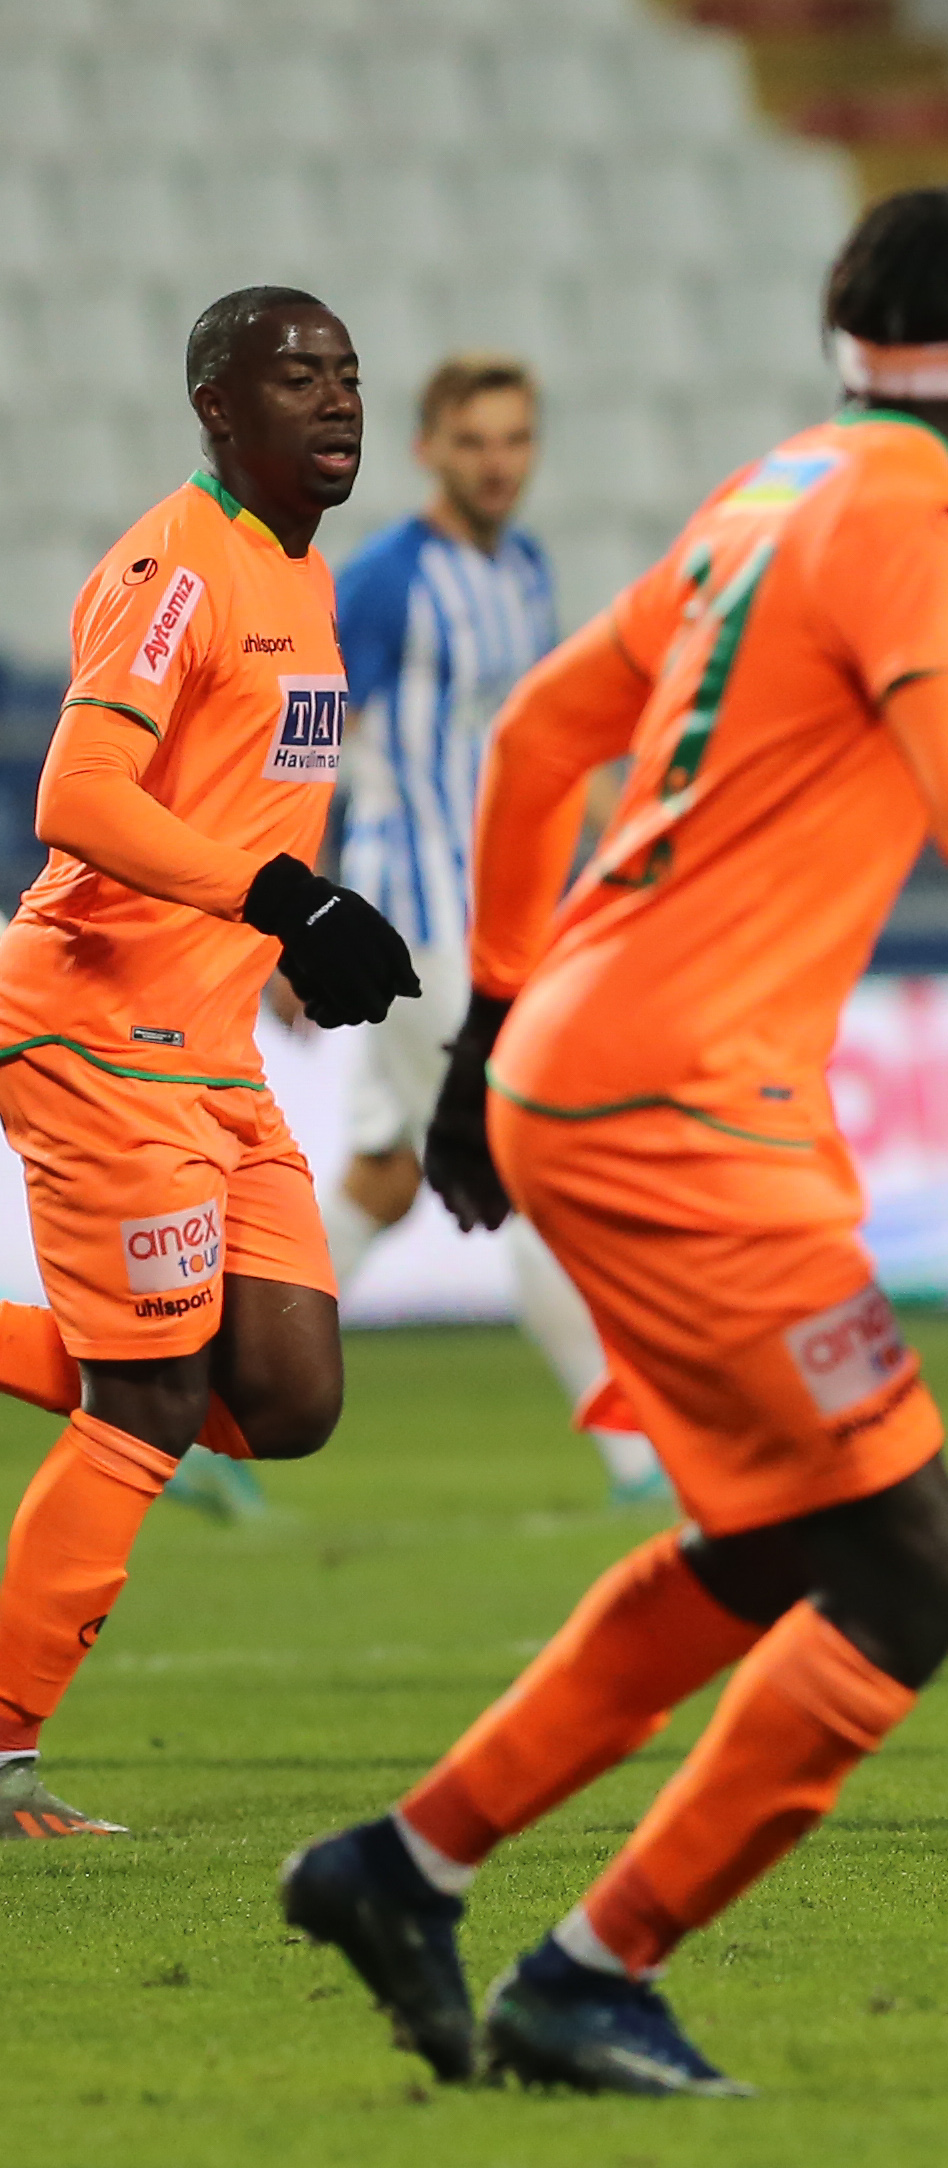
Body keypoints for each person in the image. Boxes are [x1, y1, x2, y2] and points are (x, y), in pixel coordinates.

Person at [280, 186, 948, 2096]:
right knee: (915, 1568)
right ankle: (587, 1970)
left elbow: (537, 738)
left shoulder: (771, 490)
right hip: (682, 1101)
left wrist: (489, 1041)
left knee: (771, 1538)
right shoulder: (921, 522)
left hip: (583, 1062)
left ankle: (405, 1862)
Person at [0, 289, 420, 1839]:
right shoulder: (177, 565)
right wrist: (285, 901)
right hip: (96, 1025)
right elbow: (78, 795)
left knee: (288, 1397)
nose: (337, 401)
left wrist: (283, 943)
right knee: (150, 1399)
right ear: (216, 407)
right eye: (297, 377)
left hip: (211, 1044)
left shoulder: (303, 577)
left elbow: (243, 792)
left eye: (348, 375)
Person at [327, 353, 665, 1505]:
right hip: (414, 926)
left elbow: (552, 744)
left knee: (385, 1177)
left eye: (514, 440)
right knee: (533, 1165)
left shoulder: (524, 571)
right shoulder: (385, 582)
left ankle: (194, 1415)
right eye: (473, 441)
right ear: (427, 448)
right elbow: (305, 745)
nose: (496, 463)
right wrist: (291, 913)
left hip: (497, 923)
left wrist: (644, 836)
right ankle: (636, 1456)